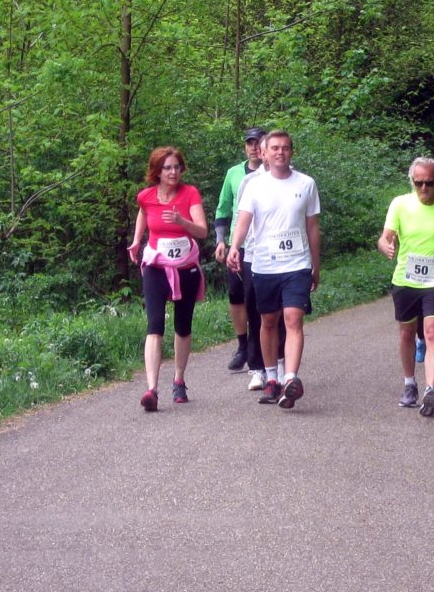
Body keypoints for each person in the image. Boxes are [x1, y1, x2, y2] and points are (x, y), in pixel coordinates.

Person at [227, 130, 320, 409]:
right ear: (264, 154)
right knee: (268, 322)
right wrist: (235, 247)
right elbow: (243, 220)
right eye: (275, 148)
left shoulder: (306, 183)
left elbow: (313, 227)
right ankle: (271, 378)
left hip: (297, 264)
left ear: (292, 152)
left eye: (286, 148)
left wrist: (316, 263)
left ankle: (290, 378)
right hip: (265, 264)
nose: (281, 152)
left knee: (293, 318)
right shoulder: (254, 186)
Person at [378, 156, 434, 416]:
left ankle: (430, 390)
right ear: (412, 182)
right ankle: (409, 384)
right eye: (418, 183)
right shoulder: (400, 204)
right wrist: (386, 246)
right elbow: (385, 237)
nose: (424, 188)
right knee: (407, 333)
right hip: (406, 280)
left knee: (433, 332)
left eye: (429, 183)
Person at [128, 146, 208, 411]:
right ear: (157, 171)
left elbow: (203, 231)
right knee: (154, 325)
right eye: (167, 168)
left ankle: (179, 380)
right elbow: (143, 212)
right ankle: (151, 389)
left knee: (182, 326)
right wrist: (137, 240)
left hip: (185, 267)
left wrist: (181, 221)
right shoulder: (146, 196)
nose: (173, 172)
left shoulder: (190, 194)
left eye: (176, 167)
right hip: (156, 266)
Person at [214, 128, 266, 380]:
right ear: (245, 146)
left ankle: (262, 351)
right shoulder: (234, 173)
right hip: (238, 242)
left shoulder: (272, 173)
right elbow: (223, 207)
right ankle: (242, 345)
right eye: (250, 143)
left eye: (258, 143)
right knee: (236, 295)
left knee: (255, 297)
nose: (254, 147)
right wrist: (221, 241)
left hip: (264, 243)